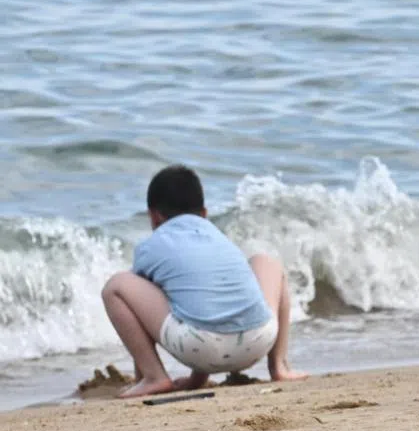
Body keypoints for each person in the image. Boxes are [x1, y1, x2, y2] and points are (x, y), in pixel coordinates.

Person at [101, 165, 306, 399]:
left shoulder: (152, 246)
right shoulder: (217, 236)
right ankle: (279, 366)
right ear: (204, 213)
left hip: (200, 348)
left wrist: (141, 374)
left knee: (117, 286)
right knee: (266, 262)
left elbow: (148, 310)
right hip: (259, 340)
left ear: (154, 216)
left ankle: (154, 377)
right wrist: (196, 380)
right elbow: (209, 301)